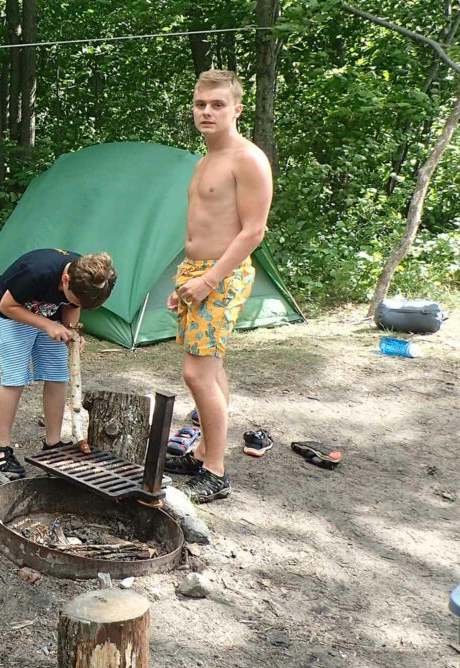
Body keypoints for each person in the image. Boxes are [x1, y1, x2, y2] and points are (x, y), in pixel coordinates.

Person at [164, 69, 273, 503]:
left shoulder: (248, 158)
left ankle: (216, 471)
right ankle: (204, 451)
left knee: (197, 373)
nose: (207, 112)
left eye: (217, 105)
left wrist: (209, 279)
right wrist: (187, 279)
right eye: (200, 104)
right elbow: (202, 226)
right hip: (198, 273)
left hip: (222, 275)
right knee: (213, 368)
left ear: (236, 109)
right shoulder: (204, 159)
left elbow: (253, 232)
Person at [0, 249, 117, 478]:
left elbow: (71, 307)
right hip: (15, 316)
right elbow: (6, 306)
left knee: (58, 376)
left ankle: (52, 444)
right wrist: (46, 325)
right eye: (75, 298)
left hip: (52, 318)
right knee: (14, 380)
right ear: (65, 280)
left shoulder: (85, 277)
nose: (75, 303)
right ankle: (1, 448)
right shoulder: (37, 272)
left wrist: (70, 332)